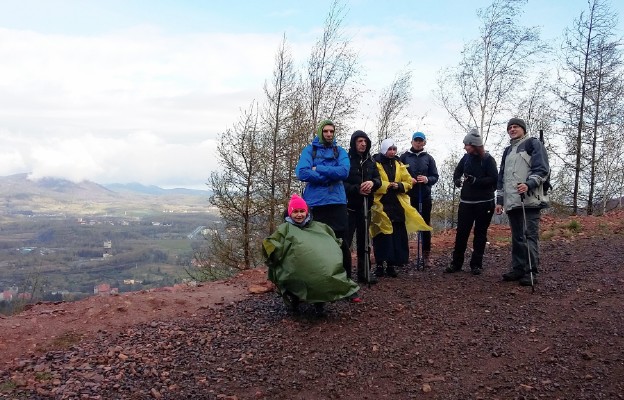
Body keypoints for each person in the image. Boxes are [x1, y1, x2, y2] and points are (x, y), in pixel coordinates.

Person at [263, 194, 360, 315]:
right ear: (290, 213)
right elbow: (273, 244)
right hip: (294, 268)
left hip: (318, 268)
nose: (299, 215)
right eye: (295, 212)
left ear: (307, 211)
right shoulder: (284, 229)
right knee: (292, 276)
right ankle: (295, 300)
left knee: (322, 275)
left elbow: (331, 240)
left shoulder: (319, 227)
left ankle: (319, 303)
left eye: (302, 211)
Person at [495, 118, 550, 286]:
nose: (512, 129)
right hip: (512, 201)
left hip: (530, 200)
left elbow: (542, 169)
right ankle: (518, 268)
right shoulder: (507, 151)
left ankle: (531, 271)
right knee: (517, 237)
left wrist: (528, 184)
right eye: (510, 127)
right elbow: (502, 176)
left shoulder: (533, 144)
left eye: (516, 127)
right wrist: (500, 200)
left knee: (529, 236)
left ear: (523, 129)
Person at [295, 119, 352, 278]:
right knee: (315, 243)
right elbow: (302, 173)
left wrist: (319, 168)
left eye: (331, 131)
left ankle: (346, 281)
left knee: (342, 243)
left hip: (337, 202)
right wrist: (329, 176)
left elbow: (344, 172)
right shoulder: (309, 150)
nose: (328, 134)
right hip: (315, 203)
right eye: (326, 131)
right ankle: (319, 279)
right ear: (321, 132)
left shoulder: (340, 151)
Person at [370, 138, 432, 278]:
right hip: (381, 203)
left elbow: (408, 181)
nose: (392, 152)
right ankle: (380, 264)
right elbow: (373, 181)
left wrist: (399, 186)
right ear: (384, 149)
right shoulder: (375, 163)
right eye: (389, 149)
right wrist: (386, 185)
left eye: (394, 149)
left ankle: (391, 264)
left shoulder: (399, 163)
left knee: (395, 235)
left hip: (397, 204)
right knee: (381, 235)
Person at [445, 128, 498, 275]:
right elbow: (457, 171)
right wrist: (457, 180)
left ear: (474, 145)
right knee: (461, 233)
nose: (464, 147)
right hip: (466, 202)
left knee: (480, 234)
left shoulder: (488, 159)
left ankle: (476, 265)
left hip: (485, 202)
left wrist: (477, 181)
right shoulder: (465, 158)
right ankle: (456, 263)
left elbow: (494, 179)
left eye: (466, 144)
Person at [344, 130, 381, 284]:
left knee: (364, 241)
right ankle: (344, 276)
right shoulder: (346, 160)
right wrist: (356, 189)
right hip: (349, 207)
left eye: (365, 141)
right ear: (354, 143)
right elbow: (341, 183)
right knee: (345, 242)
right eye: (360, 141)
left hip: (366, 207)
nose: (363, 144)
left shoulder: (371, 161)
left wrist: (372, 183)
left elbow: (378, 180)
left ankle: (364, 272)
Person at [400, 131, 439, 268]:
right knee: (403, 225)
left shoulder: (429, 158)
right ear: (411, 142)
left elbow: (435, 176)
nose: (418, 143)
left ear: (424, 142)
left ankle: (426, 255)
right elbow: (398, 174)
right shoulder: (404, 157)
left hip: (425, 196)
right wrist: (408, 179)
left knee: (425, 225)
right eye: (416, 140)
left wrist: (427, 179)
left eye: (420, 141)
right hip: (407, 197)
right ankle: (402, 256)